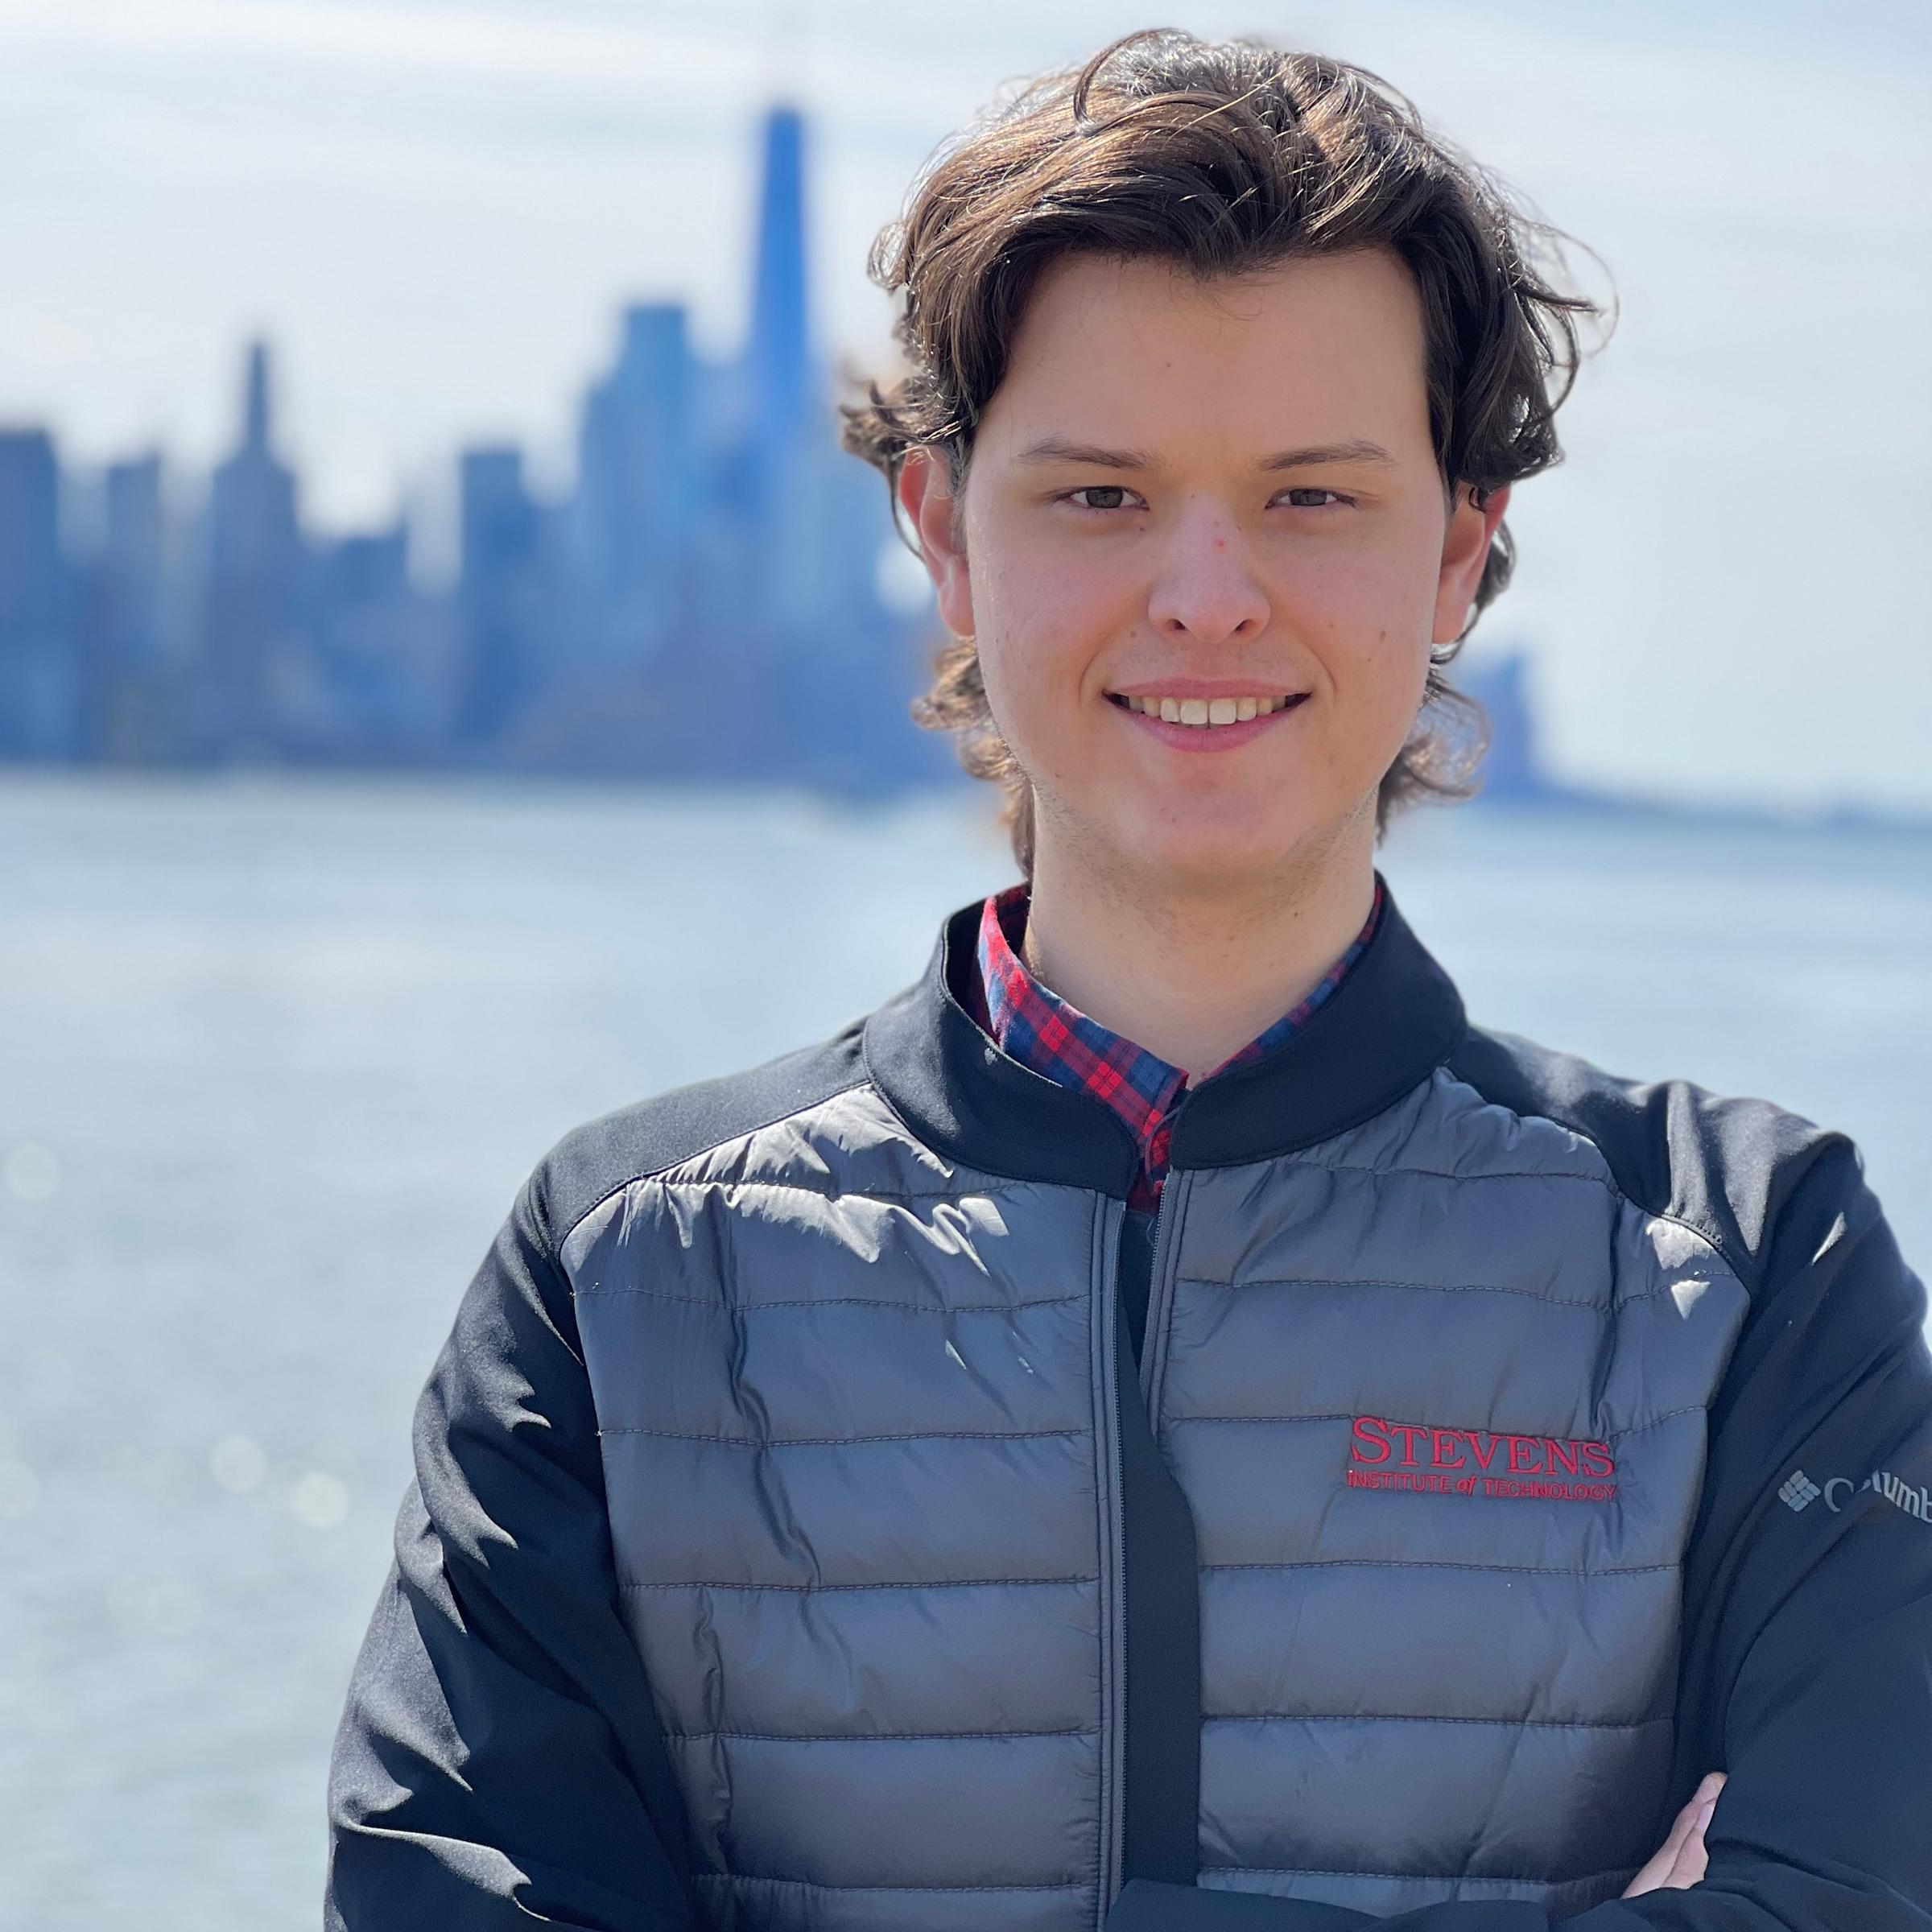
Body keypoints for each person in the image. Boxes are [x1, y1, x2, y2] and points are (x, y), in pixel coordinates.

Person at [325, 29, 1932, 1932]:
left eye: (1312, 498)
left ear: (1459, 552)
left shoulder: (1752, 1269)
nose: (1206, 595)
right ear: (943, 531)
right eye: (1099, 497)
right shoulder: (625, 1272)